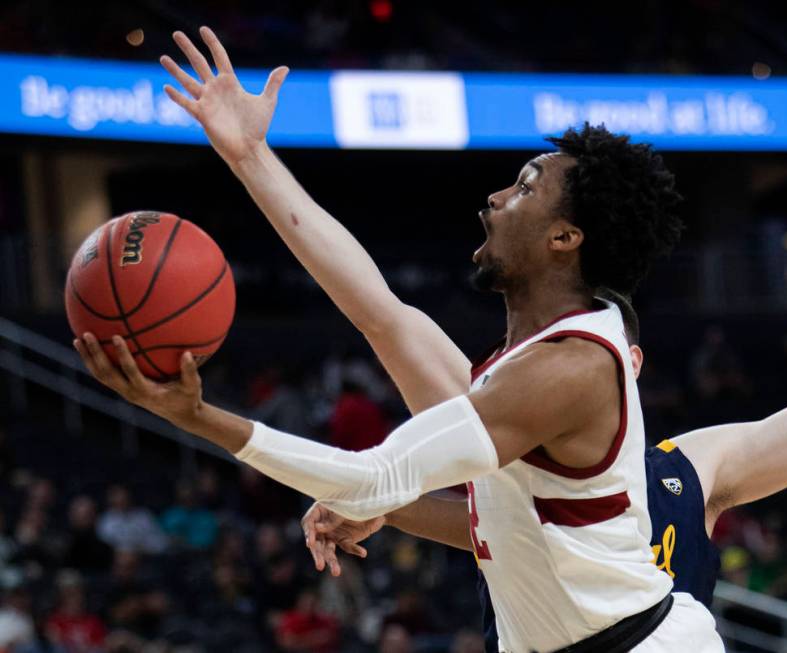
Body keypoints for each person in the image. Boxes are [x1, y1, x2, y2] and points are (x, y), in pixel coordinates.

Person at [76, 27, 716, 652]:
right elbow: (378, 312)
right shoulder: (521, 365)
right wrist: (249, 155)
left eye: (524, 188)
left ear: (564, 239)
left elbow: (375, 473)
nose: (493, 198)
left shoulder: (567, 369)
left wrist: (195, 417)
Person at [301, 293, 787, 651]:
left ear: (628, 364)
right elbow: (386, 318)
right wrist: (378, 499)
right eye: (534, 357)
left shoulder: (691, 469)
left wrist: (383, 501)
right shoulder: (505, 456)